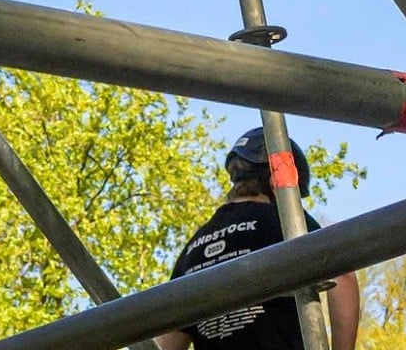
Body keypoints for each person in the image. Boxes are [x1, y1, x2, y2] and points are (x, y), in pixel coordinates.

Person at [153, 128, 360, 350]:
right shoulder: (283, 222)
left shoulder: (194, 246)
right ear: (275, 182)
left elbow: (169, 338)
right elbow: (342, 274)